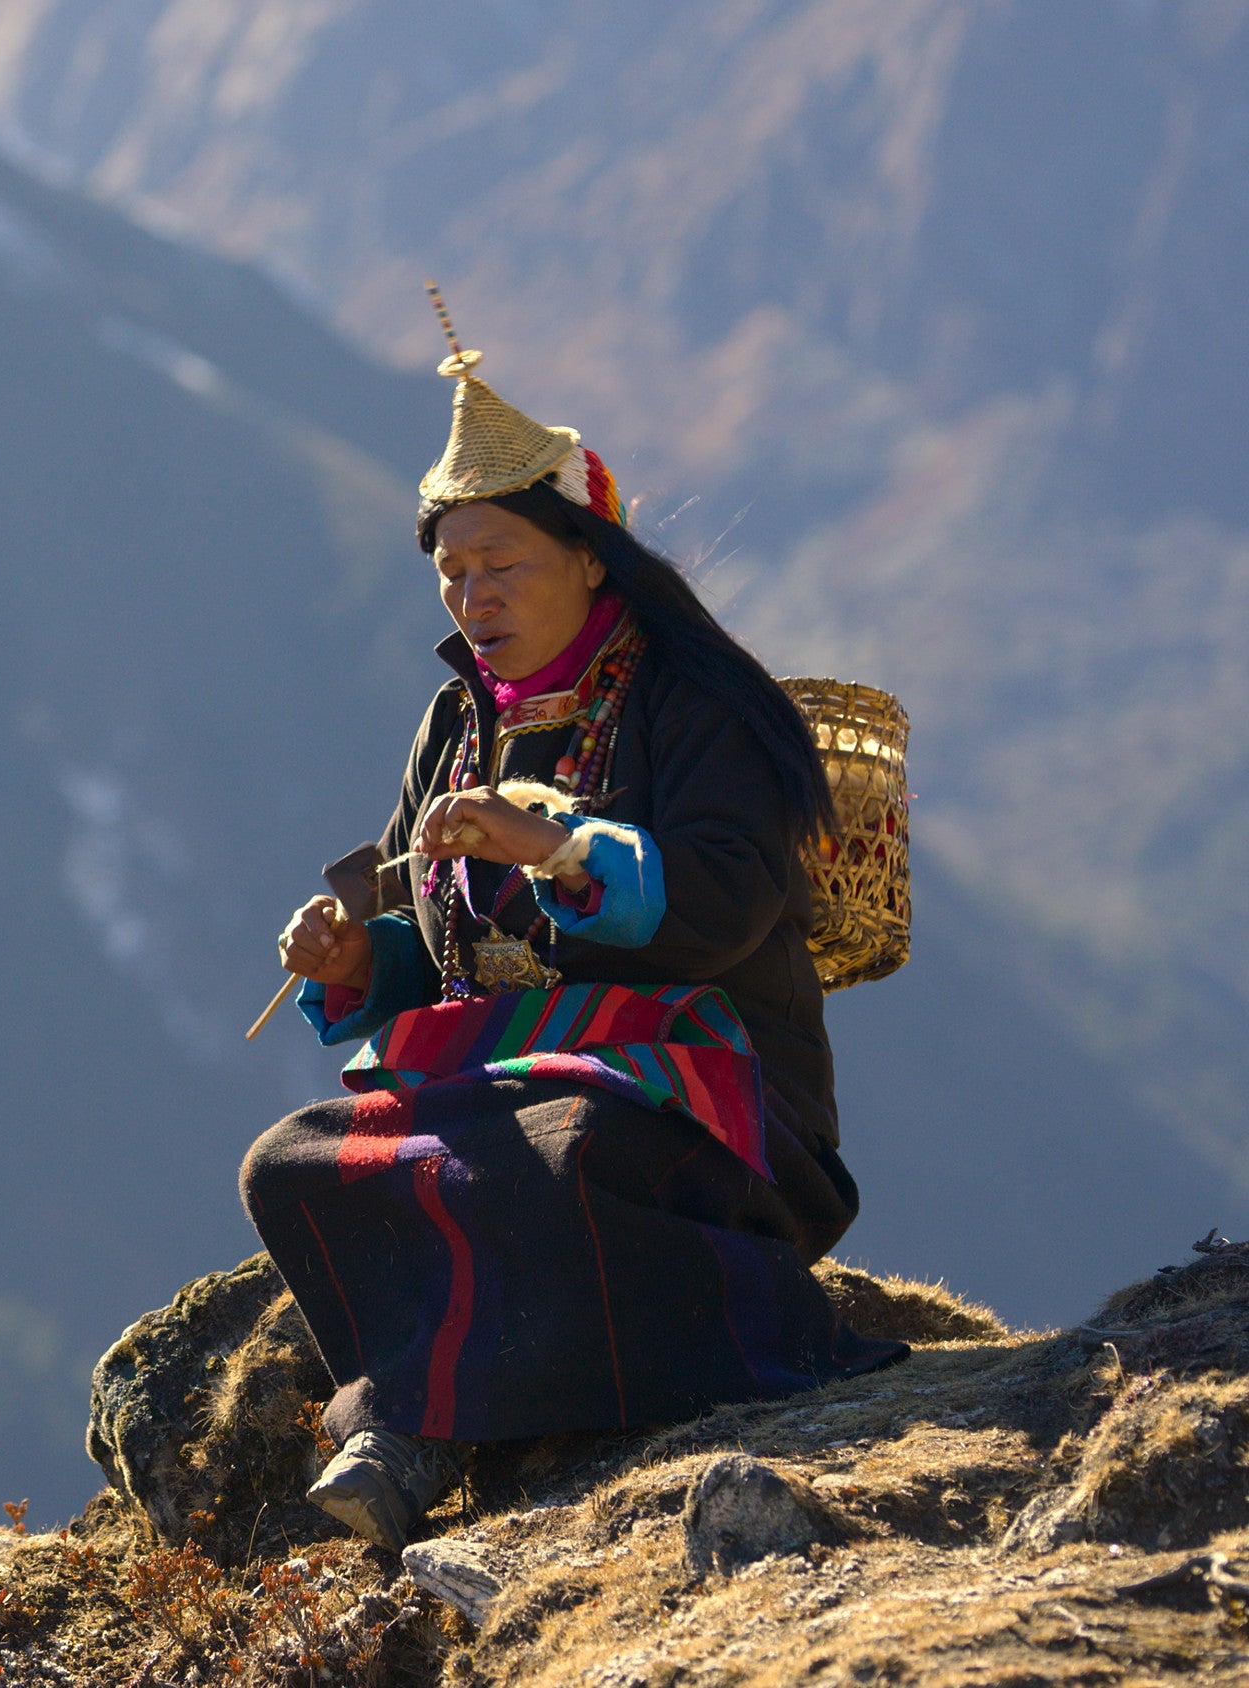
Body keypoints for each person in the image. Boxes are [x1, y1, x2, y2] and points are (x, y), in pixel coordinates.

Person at [241, 317, 906, 1551]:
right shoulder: (456, 723)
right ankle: (455, 1407)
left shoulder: (701, 705)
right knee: (292, 1157)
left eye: (501, 562)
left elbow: (722, 904)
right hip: (506, 1084)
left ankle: (412, 1421)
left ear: (592, 559)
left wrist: (553, 846)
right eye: (451, 571)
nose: (472, 593)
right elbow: (437, 941)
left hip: (717, 1107)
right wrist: (355, 960)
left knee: (567, 1146)